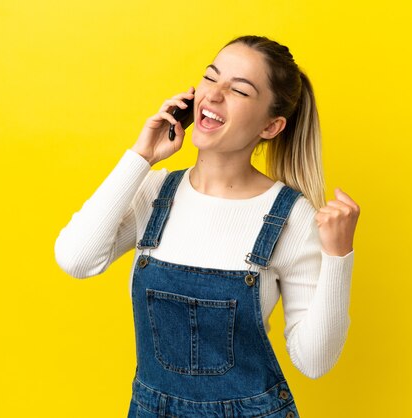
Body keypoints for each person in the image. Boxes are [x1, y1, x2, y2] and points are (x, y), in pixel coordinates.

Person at [55, 35, 360, 418]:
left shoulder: (291, 216)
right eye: (210, 77)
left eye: (239, 90)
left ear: (271, 126)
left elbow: (314, 361)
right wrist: (141, 157)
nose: (213, 95)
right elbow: (76, 260)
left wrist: (338, 257)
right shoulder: (154, 192)